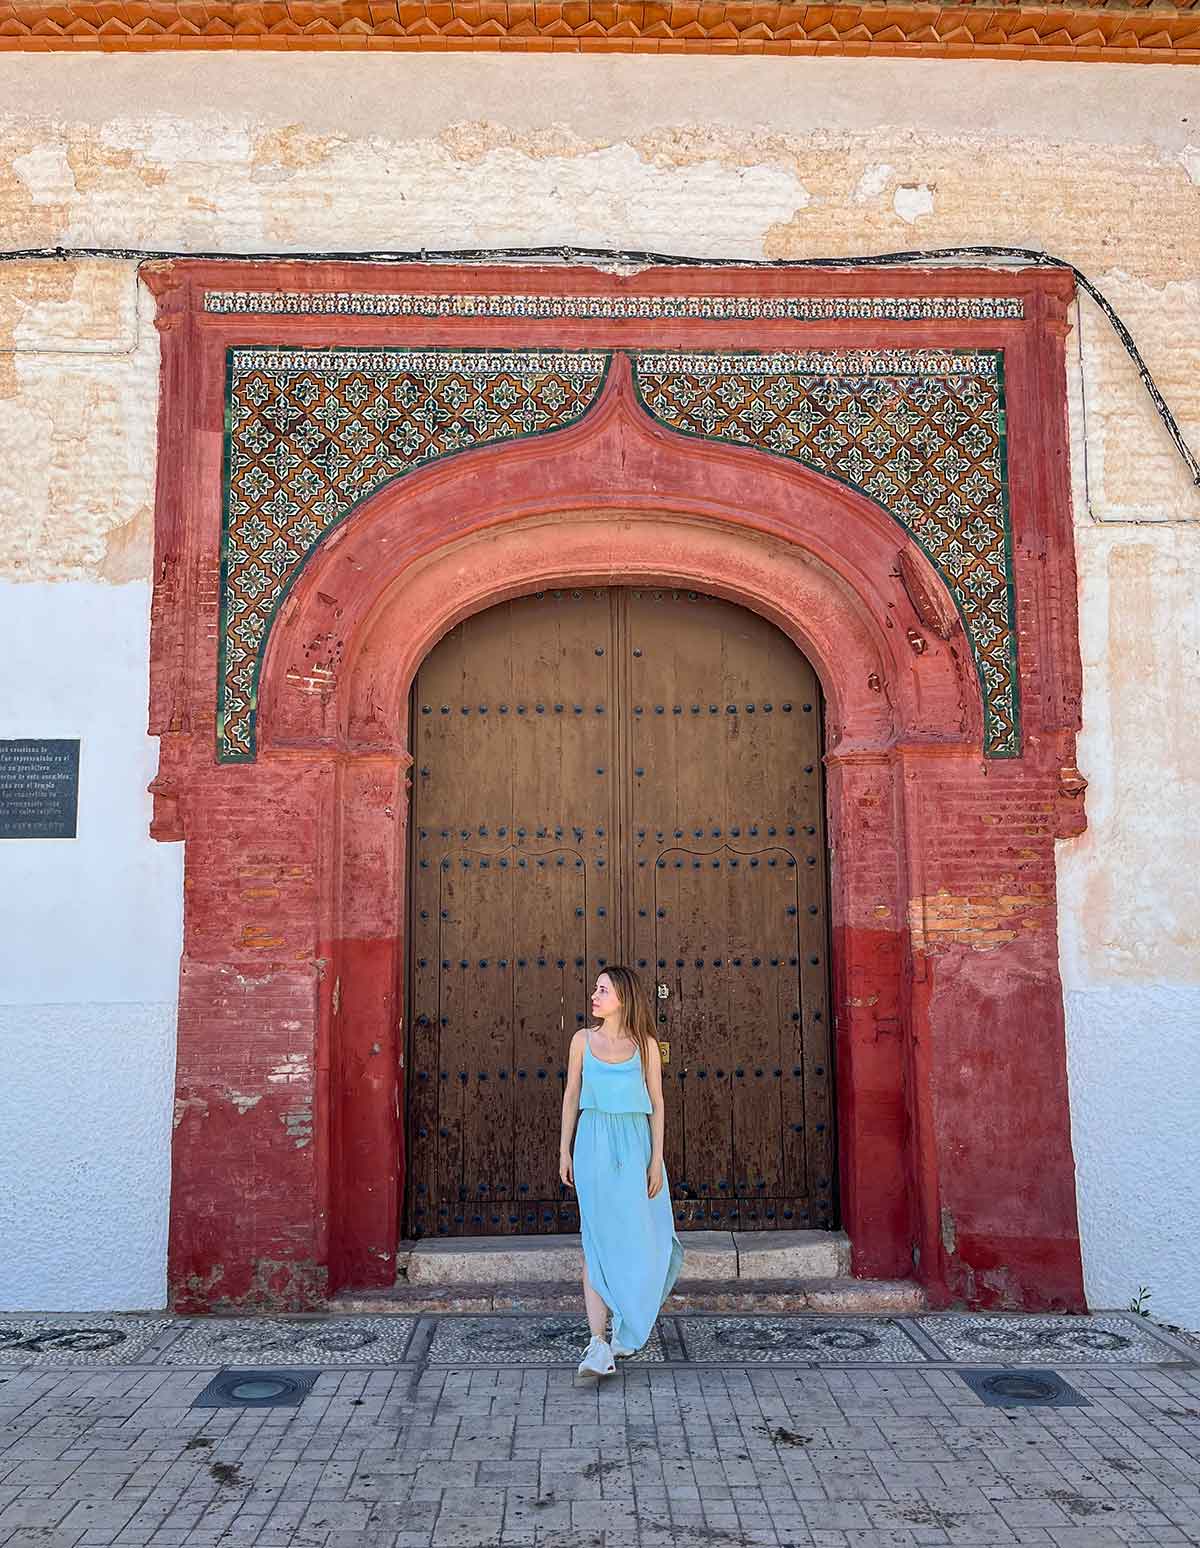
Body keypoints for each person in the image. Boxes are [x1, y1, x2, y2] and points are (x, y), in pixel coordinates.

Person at [559, 965, 685, 1376]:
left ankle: (628, 1327)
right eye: (595, 989)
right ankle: (598, 1342)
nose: (594, 996)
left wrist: (656, 1161)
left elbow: (659, 1104)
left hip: (635, 1147)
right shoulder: (582, 1040)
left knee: (643, 1236)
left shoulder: (645, 1045)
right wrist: (564, 1151)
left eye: (603, 990)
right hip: (593, 1143)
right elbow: (572, 1094)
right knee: (595, 1240)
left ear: (623, 999)